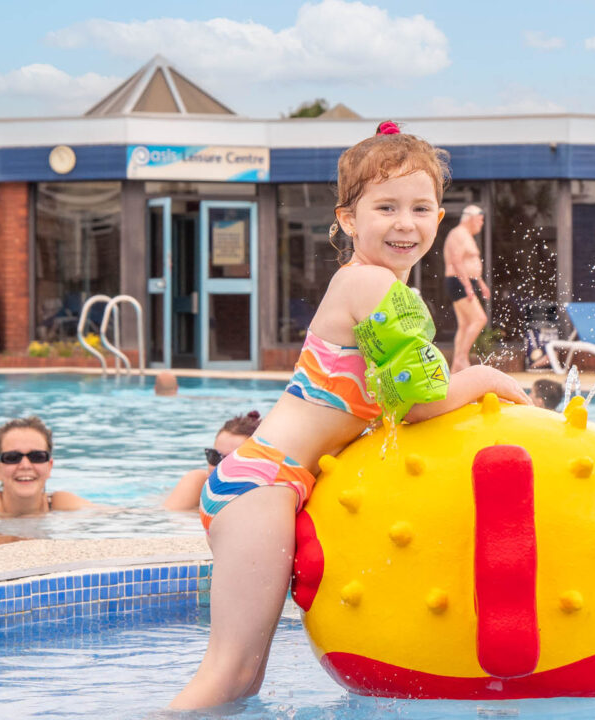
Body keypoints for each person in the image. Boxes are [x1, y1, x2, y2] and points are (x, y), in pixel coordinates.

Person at [169, 122, 531, 710]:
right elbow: (418, 402)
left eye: (420, 208)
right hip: (263, 485)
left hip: (270, 483)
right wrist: (488, 378)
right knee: (227, 676)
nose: (405, 223)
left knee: (243, 683)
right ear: (347, 220)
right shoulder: (367, 283)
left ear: (439, 218)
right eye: (385, 207)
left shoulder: (379, 288)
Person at [0, 416, 92, 516]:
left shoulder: (59, 503)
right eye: (12, 458)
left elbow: (105, 516)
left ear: (49, 467)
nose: (25, 465)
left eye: (37, 457)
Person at [162, 411, 261, 511]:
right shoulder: (198, 482)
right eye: (215, 456)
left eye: (232, 460)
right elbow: (170, 516)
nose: (219, 467)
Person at [442, 205, 491, 372]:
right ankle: (461, 358)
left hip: (464, 281)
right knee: (479, 319)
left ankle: (457, 365)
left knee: (464, 325)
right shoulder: (458, 234)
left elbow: (469, 263)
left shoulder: (466, 235)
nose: (481, 223)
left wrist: (480, 283)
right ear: (471, 218)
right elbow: (456, 261)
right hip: (459, 281)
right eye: (480, 220)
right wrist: (467, 285)